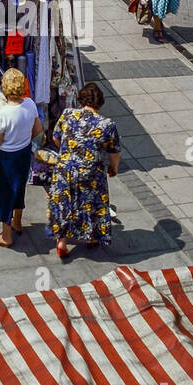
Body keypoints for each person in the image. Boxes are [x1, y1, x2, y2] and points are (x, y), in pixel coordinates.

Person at [45, 83, 121, 261]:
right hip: (90, 172)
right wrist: (114, 167)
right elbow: (114, 152)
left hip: (66, 169)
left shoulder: (68, 114)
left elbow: (55, 137)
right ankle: (91, 236)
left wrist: (67, 152)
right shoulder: (107, 124)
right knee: (92, 202)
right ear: (100, 103)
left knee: (64, 202)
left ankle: (62, 241)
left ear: (81, 100)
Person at [0, 69, 43, 249]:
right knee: (19, 187)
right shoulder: (30, 104)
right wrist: (24, 139)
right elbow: (38, 129)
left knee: (5, 193)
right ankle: (17, 222)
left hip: (7, 158)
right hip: (24, 153)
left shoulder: (3, 114)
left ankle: (6, 236)